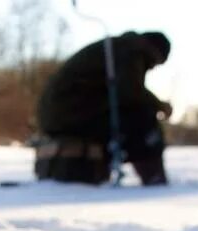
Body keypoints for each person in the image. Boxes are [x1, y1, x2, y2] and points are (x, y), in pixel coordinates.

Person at [34, 31, 172, 186]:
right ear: (152, 50)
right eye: (155, 62)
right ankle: (154, 179)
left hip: (60, 116)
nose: (152, 67)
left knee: (128, 116)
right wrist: (160, 106)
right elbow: (130, 92)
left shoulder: (117, 47)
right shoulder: (130, 51)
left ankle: (100, 172)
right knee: (143, 118)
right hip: (70, 115)